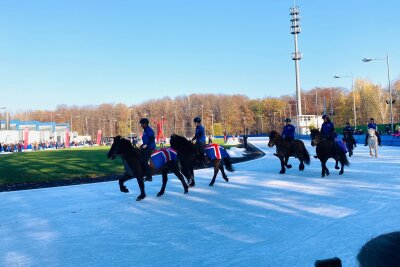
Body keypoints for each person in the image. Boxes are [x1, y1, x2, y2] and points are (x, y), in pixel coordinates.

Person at [139, 118, 156, 182]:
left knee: (144, 161)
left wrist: (146, 145)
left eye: (142, 124)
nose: (141, 125)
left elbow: (152, 139)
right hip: (146, 147)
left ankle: (149, 177)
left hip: (150, 147)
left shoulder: (149, 130)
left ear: (145, 124)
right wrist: (142, 145)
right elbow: (146, 140)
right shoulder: (145, 130)